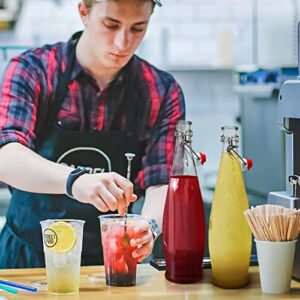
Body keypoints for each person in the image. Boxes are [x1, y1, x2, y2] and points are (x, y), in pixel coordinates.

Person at [0, 0, 185, 268]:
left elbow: (162, 179)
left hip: (109, 263)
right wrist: (76, 181)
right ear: (84, 12)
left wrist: (150, 226)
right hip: (26, 261)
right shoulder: (34, 70)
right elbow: (6, 158)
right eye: (111, 25)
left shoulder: (161, 90)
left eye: (137, 28)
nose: (123, 43)